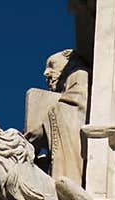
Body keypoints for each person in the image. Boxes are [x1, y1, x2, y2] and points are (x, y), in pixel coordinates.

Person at [25, 50, 89, 186]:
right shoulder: (69, 84)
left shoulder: (79, 75)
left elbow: (74, 108)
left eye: (51, 65)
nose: (46, 73)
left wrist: (41, 128)